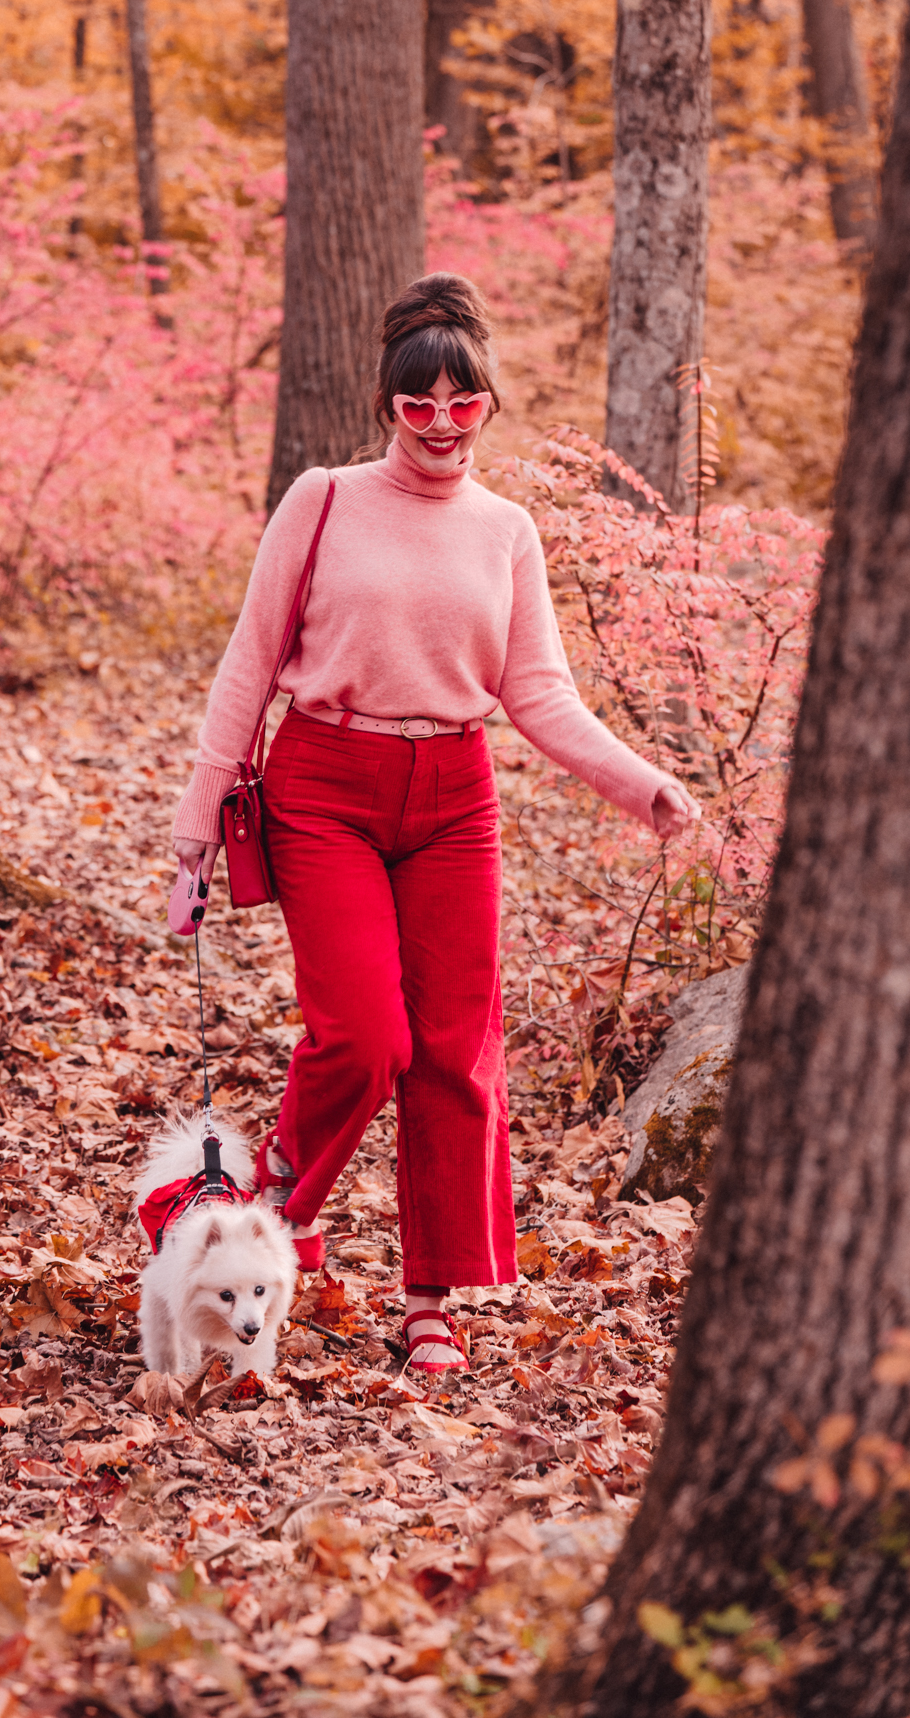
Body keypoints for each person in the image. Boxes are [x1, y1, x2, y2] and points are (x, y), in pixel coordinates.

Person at [170, 274, 697, 1374]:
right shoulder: (320, 500)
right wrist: (195, 821)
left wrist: (636, 781)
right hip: (325, 785)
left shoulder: (506, 532)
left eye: (466, 404)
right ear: (386, 405)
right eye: (420, 406)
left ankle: (430, 1299)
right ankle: (282, 1177)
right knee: (365, 1039)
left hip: (455, 796)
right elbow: (248, 663)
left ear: (488, 405)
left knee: (453, 1055)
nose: (443, 426)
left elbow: (537, 691)